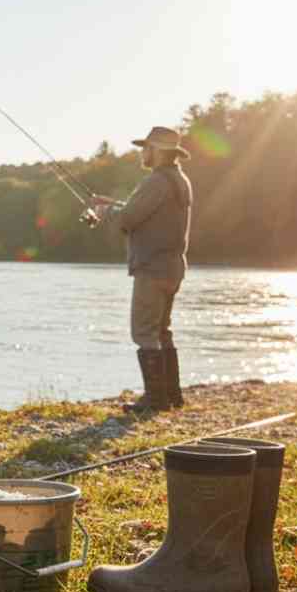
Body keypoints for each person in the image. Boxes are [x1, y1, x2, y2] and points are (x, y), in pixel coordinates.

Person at [92, 126, 193, 412]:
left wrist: (105, 212)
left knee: (145, 333)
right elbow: (146, 211)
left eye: (145, 148)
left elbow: (128, 219)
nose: (142, 153)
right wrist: (114, 205)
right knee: (162, 331)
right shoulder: (179, 179)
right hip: (173, 266)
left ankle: (155, 400)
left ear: (157, 151)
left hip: (153, 266)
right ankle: (172, 395)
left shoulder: (156, 181)